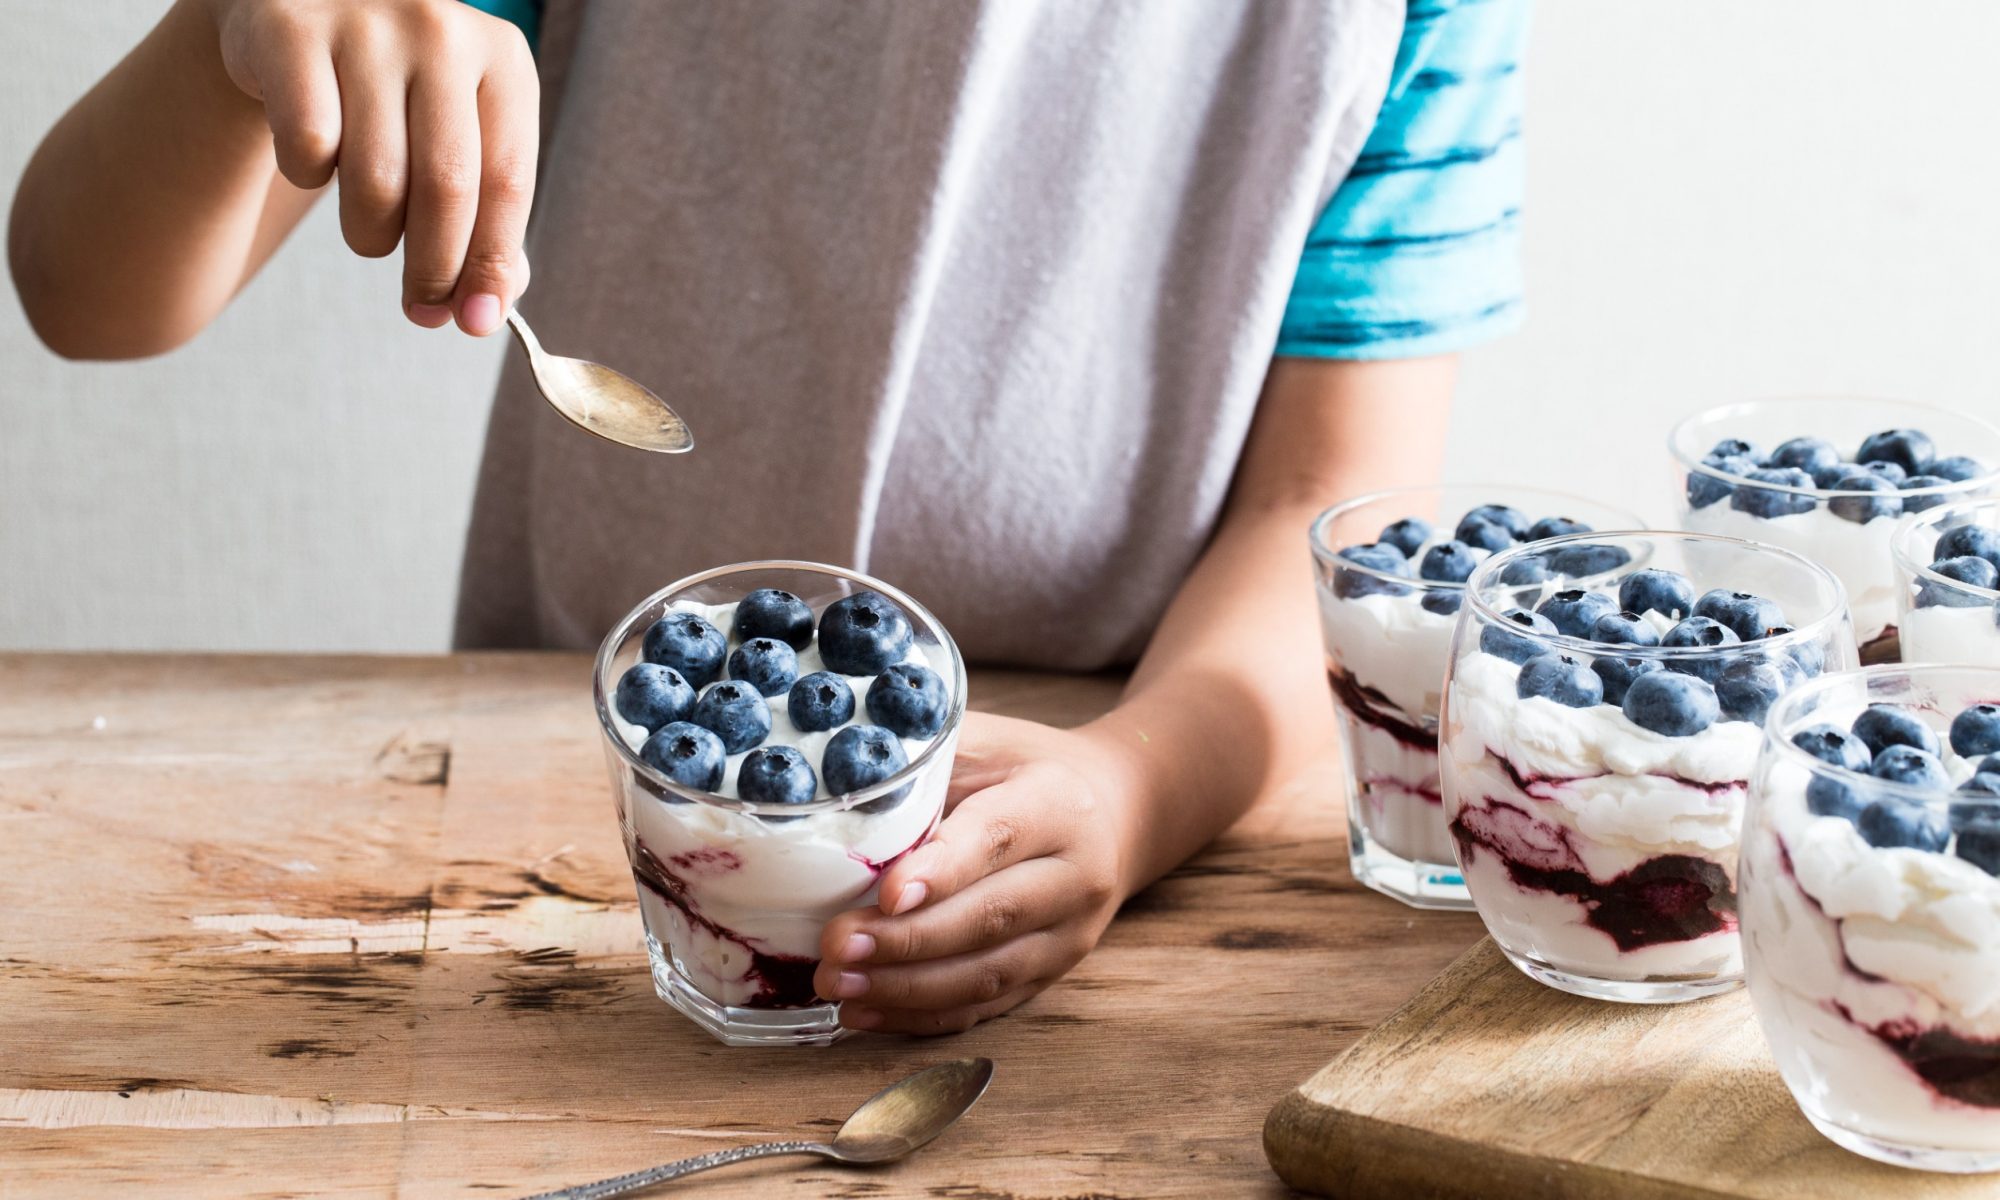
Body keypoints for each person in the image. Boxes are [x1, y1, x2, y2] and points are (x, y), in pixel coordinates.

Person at [9, 0, 1527, 1034]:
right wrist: (233, 33)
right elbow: (92, 295)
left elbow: (1321, 506)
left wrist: (1138, 787)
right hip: (551, 851)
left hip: (1082, 819)